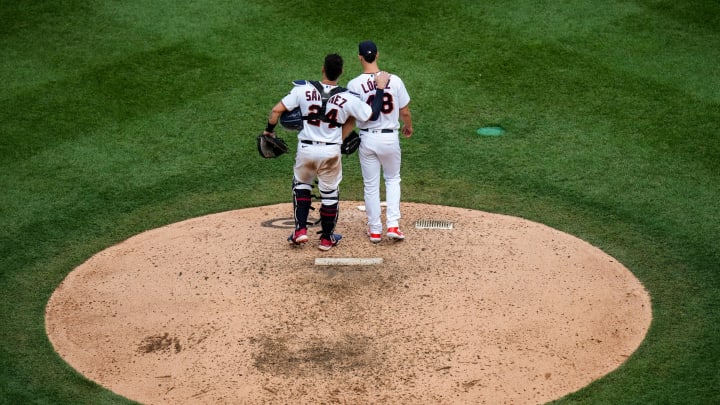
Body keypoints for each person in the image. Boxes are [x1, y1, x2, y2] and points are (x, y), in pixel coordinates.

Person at [262, 53, 389, 251]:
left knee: (301, 186)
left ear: (323, 69)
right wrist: (380, 88)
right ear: (341, 72)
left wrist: (269, 130)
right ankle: (326, 239)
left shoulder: (303, 89)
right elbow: (371, 114)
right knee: (329, 195)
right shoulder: (348, 97)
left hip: (306, 148)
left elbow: (276, 110)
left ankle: (300, 231)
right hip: (330, 152)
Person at [346, 40, 413, 243]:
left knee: (371, 186)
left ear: (359, 57)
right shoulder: (395, 80)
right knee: (393, 180)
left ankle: (375, 230)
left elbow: (350, 115)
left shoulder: (354, 84)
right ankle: (393, 225)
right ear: (377, 55)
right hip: (390, 138)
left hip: (367, 138)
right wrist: (408, 126)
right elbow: (405, 111)